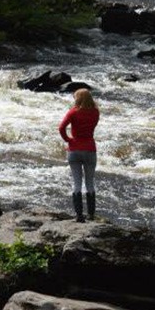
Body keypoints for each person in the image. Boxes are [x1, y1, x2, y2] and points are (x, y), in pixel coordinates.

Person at [58, 88, 99, 222]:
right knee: (90, 183)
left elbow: (61, 127)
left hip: (74, 150)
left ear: (78, 98)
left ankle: (79, 216)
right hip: (90, 149)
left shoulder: (73, 112)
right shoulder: (95, 112)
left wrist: (68, 140)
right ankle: (91, 215)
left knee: (76, 183)